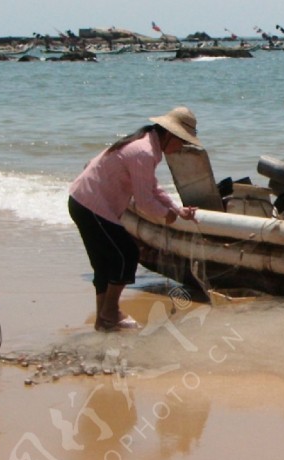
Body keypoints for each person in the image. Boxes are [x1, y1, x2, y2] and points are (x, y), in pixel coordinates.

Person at [68, 106, 201, 331]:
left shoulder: (147, 145)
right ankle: (111, 311)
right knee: (127, 255)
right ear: (170, 135)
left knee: (104, 265)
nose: (182, 147)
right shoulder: (144, 151)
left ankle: (104, 319)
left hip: (83, 200)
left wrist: (177, 210)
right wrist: (166, 215)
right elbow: (144, 202)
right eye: (183, 141)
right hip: (92, 204)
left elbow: (153, 188)